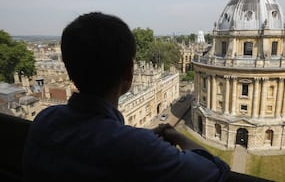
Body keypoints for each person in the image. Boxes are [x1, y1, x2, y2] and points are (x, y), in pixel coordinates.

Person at [22, 12, 230, 182]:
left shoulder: (44, 120)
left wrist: (142, 140)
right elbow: (215, 170)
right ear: (130, 73)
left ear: (68, 70)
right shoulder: (136, 147)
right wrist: (176, 137)